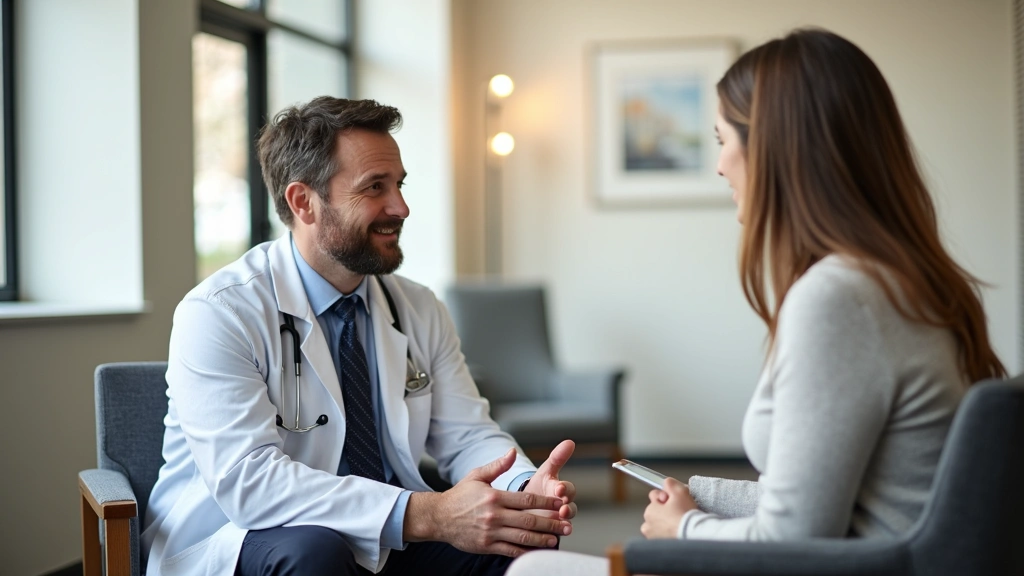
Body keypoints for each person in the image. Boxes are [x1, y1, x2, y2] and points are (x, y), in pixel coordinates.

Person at [505, 27, 1006, 575]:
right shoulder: (906, 282)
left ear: (772, 148)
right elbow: (829, 498)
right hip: (881, 556)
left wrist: (683, 529)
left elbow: (796, 535)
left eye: (722, 141)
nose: (719, 166)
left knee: (531, 570)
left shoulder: (838, 299)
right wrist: (697, 494)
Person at [142, 97, 578, 576]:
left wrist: (521, 488)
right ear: (303, 202)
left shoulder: (418, 307)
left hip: (388, 531)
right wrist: (427, 514)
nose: (401, 207)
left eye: (399, 185)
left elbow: (467, 434)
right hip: (244, 536)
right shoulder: (219, 313)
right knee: (314, 553)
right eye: (375, 188)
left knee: (519, 541)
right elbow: (250, 484)